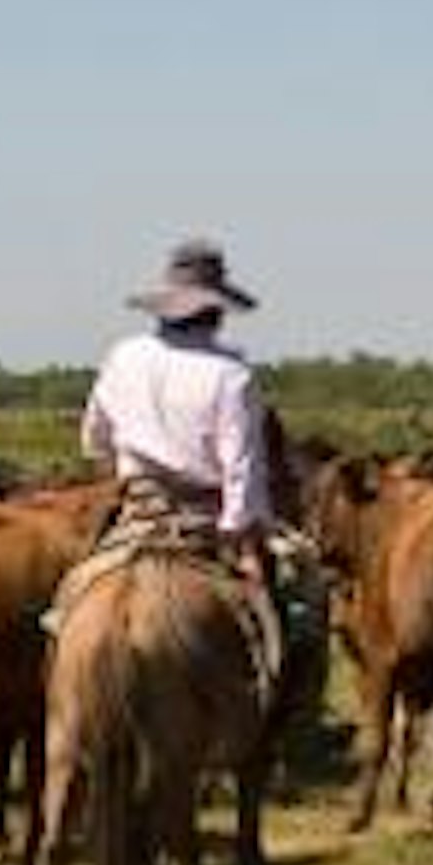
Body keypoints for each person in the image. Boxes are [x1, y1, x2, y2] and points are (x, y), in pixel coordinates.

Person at [78, 238, 276, 603]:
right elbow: (241, 471)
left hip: (134, 511)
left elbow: (94, 440)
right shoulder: (232, 374)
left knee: (70, 594)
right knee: (297, 593)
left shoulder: (123, 357)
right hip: (202, 518)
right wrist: (238, 537)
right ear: (217, 312)